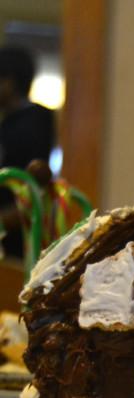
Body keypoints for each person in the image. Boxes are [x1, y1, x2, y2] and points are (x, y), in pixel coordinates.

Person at [0, 46, 55, 260]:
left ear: (10, 82)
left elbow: (35, 189)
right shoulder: (9, 124)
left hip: (19, 244)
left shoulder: (33, 122)